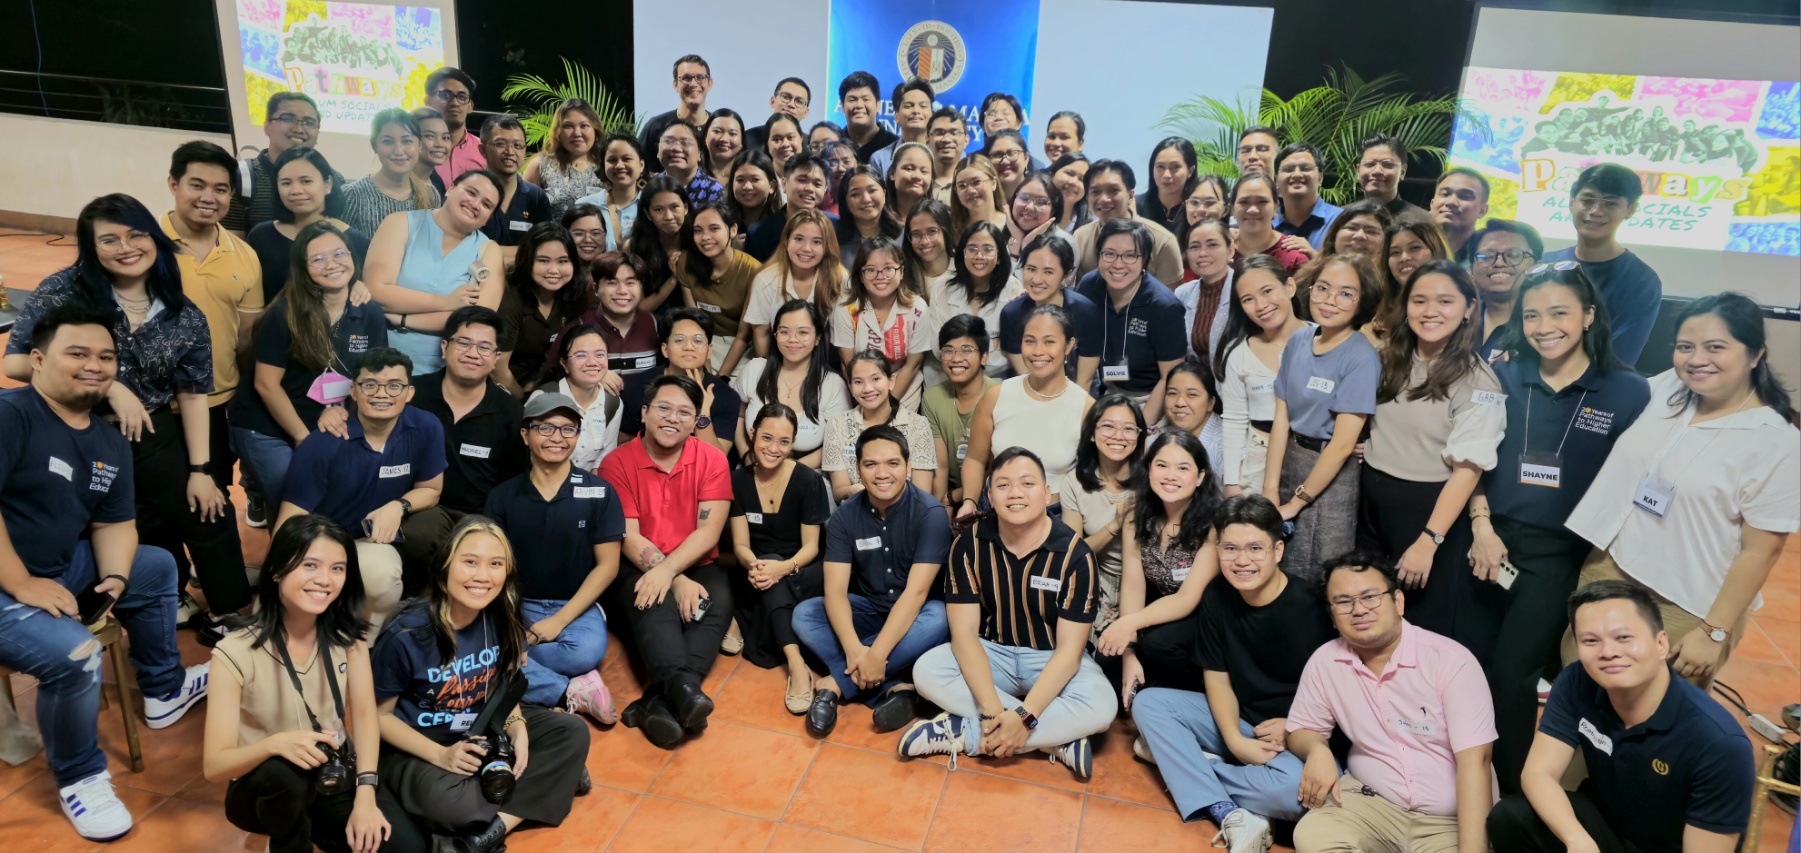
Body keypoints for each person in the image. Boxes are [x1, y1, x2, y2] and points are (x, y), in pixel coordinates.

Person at [0, 304, 208, 841]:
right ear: (39, 359)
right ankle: (81, 776)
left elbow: (116, 522)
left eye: (106, 356)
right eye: (78, 353)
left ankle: (162, 690)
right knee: (77, 655)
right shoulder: (11, 414)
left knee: (155, 565)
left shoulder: (107, 440)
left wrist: (113, 579)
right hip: (6, 587)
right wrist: (22, 583)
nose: (94, 365)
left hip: (58, 568)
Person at [5, 194, 250, 641]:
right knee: (125, 522)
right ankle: (160, 599)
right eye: (109, 239)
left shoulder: (180, 311)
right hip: (73, 428)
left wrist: (200, 470)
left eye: (136, 234)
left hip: (153, 428)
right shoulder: (63, 290)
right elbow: (17, 362)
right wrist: (108, 384)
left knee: (205, 508)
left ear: (154, 238)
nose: (126, 247)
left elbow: (193, 393)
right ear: (90, 245)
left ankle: (229, 610)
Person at [1465, 264, 1650, 794]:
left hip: (1559, 553)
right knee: (1468, 661)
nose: (1544, 326)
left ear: (1589, 316)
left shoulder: (1627, 391)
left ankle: (1514, 789)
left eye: (1560, 313)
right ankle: (1461, 772)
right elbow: (1470, 460)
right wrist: (1480, 522)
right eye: (1531, 315)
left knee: (1513, 673)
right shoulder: (1500, 374)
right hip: (1485, 538)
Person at [1564, 292, 1799, 689]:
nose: (1696, 358)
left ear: (1756, 354)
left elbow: (1762, 551)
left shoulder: (1777, 442)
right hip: (1610, 566)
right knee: (1580, 689)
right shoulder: (1670, 388)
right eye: (1685, 346)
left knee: (1649, 715)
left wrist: (1713, 632)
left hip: (1686, 601)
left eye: (1716, 347)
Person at [1486, 580, 1755, 853]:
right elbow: (1538, 773)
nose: (1608, 652)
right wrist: (1575, 839)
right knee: (1510, 817)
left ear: (1661, 643)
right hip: (1608, 827)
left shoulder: (1720, 744)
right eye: (1591, 640)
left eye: (1624, 638)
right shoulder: (1578, 680)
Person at [371, 517, 591, 851]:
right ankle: (555, 778)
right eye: (470, 562)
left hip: (483, 727)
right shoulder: (406, 633)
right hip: (419, 745)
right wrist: (441, 756)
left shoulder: (502, 617)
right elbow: (377, 718)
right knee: (454, 805)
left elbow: (503, 690)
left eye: (495, 564)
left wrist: (516, 726)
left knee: (572, 732)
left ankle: (486, 836)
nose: (482, 576)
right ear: (445, 567)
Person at [204, 515, 417, 853]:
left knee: (405, 847)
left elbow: (364, 717)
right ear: (276, 571)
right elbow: (215, 766)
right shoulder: (234, 652)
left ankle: (311, 824)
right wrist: (275, 744)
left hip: (330, 773)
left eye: (337, 568)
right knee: (285, 776)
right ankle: (287, 842)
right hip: (261, 785)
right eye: (310, 565)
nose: (325, 580)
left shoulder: (349, 638)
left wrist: (365, 795)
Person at [900, 447, 1113, 781]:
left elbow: (1070, 653)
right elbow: (965, 635)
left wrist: (1025, 718)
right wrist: (994, 710)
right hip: (992, 652)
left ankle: (967, 735)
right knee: (927, 670)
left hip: (1050, 656)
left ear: (1046, 493)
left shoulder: (1075, 555)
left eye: (1027, 484)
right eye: (1003, 485)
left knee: (1102, 705)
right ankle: (1054, 740)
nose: (1015, 493)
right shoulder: (968, 544)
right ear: (989, 496)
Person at [1131, 494, 1330, 851]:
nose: (1242, 561)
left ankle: (1180, 762)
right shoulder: (1218, 595)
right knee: (1149, 704)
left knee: (1294, 794)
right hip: (1238, 721)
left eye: (1255, 548)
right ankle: (1228, 807)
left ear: (1278, 551)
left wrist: (1294, 725)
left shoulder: (1310, 608)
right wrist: (1235, 741)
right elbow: (1217, 677)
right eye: (1230, 548)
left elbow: (1339, 691)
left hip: (1291, 734)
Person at [1286, 552, 1497, 853]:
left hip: (1449, 821)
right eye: (1344, 602)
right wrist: (1316, 749)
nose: (1358, 610)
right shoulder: (1326, 661)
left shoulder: (1450, 662)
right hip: (1372, 804)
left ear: (1398, 602)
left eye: (1370, 597)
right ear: (1332, 616)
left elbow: (1477, 763)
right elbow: (1302, 728)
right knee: (1313, 835)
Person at [1359, 260, 1506, 659]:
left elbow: (1468, 469)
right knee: (1373, 617)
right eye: (1419, 300)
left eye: (1445, 301)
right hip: (1370, 500)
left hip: (1427, 512)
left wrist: (1429, 540)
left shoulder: (1478, 380)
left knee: (1419, 630)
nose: (1430, 311)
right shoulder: (1389, 356)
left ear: (1469, 309)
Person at [599, 375, 735, 749]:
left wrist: (671, 572)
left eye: (684, 412)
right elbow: (628, 535)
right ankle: (684, 689)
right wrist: (670, 578)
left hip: (695, 562)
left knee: (715, 606)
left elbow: (708, 534)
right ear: (643, 413)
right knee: (653, 603)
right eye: (663, 407)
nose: (672, 418)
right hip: (636, 565)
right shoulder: (616, 463)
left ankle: (662, 700)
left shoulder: (711, 459)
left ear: (695, 422)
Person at [795, 424, 954, 736]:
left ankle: (836, 686)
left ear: (908, 468)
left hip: (917, 616)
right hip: (871, 610)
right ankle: (896, 688)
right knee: (805, 614)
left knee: (940, 618)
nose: (883, 473)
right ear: (858, 470)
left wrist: (877, 654)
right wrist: (856, 649)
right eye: (871, 464)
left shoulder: (930, 514)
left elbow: (917, 594)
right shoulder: (845, 516)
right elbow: (836, 591)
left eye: (893, 463)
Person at [277, 347, 444, 632]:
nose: (382, 394)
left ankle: (366, 648)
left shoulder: (425, 427)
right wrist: (280, 577)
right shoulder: (324, 443)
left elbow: (431, 489)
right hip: (321, 544)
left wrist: (398, 506)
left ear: (409, 392)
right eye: (370, 385)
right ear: (353, 391)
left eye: (394, 386)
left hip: (369, 543)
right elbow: (289, 521)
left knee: (382, 575)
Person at [484, 393, 625, 723]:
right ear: (525, 434)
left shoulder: (598, 492)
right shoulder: (503, 496)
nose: (557, 438)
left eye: (568, 429)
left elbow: (608, 566)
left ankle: (517, 673)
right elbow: (494, 564)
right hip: (517, 603)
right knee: (485, 653)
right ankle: (571, 690)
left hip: (575, 605)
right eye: (545, 428)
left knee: (584, 653)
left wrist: (557, 622)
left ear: (578, 435)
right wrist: (514, 623)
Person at [232, 221, 388, 513]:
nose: (331, 264)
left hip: (327, 417)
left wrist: (345, 413)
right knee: (291, 490)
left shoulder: (369, 312)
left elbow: (372, 375)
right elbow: (266, 385)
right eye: (317, 259)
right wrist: (304, 440)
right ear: (302, 269)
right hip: (268, 424)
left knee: (335, 491)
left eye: (339, 254)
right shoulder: (283, 316)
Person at [161, 140, 265, 546]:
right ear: (173, 184)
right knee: (158, 502)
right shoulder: (142, 246)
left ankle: (212, 574)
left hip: (217, 400)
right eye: (197, 185)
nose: (209, 198)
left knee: (214, 493)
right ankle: (172, 586)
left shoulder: (244, 255)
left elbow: (246, 337)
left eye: (221, 189)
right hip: (153, 405)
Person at [1264, 254, 1383, 582]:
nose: (1330, 300)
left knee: (1321, 572)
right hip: (1290, 459)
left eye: (1346, 293)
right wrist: (1271, 489)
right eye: (1323, 288)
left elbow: (1343, 445)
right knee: (1281, 566)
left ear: (1363, 302)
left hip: (1330, 473)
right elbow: (1281, 418)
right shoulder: (1300, 339)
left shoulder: (1361, 357)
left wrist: (1296, 502)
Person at [402, 307, 530, 577]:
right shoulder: (412, 394)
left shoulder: (509, 411)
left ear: (496, 358)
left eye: (485, 347)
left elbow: (514, 478)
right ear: (445, 347)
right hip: (423, 508)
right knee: (420, 533)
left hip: (479, 515)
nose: (473, 353)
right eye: (464, 342)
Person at [1095, 430, 1223, 697]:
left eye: (1183, 468)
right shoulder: (1136, 515)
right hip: (1156, 612)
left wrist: (1130, 624)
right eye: (1161, 465)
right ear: (1149, 470)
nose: (1170, 475)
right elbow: (1132, 587)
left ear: (1200, 476)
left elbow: (1188, 598)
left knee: (1158, 644)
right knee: (1109, 656)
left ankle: (1187, 702)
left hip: (1204, 616)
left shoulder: (1214, 524)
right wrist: (1129, 650)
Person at [727, 404, 831, 710]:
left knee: (772, 581)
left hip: (802, 567)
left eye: (784, 442)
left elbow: (812, 547)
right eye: (767, 438)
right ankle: (795, 662)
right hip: (757, 568)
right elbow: (740, 544)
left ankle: (795, 664)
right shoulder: (739, 480)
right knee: (751, 577)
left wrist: (780, 569)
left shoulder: (806, 480)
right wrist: (756, 565)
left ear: (793, 443)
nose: (774, 448)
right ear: (752, 434)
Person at [364, 170, 504, 375]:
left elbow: (477, 323)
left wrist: (403, 319)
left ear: (488, 218)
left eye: (486, 205)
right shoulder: (401, 223)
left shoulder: (488, 250)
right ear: (450, 189)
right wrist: (446, 303)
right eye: (471, 193)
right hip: (380, 359)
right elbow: (376, 291)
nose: (475, 204)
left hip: (446, 371)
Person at [960, 305, 1095, 518]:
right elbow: (976, 459)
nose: (1038, 351)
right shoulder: (996, 396)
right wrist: (968, 501)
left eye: (1049, 341)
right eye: (1030, 341)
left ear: (1069, 346)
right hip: (995, 509)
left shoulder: (1086, 407)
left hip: (1055, 514)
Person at [1539, 163, 1664, 365]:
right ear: (1571, 202)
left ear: (1630, 210)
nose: (1596, 211)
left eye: (1610, 204)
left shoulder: (1641, 281)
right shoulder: (1544, 264)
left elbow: (1619, 361)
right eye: (1587, 200)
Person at [1213, 255, 1310, 497]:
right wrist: (1232, 483)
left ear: (1289, 287)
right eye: (1248, 299)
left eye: (1267, 291)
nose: (1260, 305)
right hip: (1258, 459)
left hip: (1313, 456)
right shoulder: (1237, 352)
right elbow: (1234, 420)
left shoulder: (1324, 340)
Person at [1074, 218, 1186, 419]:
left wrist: (1141, 428)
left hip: (1152, 399)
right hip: (1107, 391)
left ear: (1145, 260)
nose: (1118, 264)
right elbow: (1085, 356)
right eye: (1109, 254)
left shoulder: (1163, 306)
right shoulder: (1089, 287)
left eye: (1130, 256)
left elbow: (1170, 377)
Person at [1058, 394, 1146, 643]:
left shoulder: (1152, 480)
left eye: (1129, 429)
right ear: (1092, 434)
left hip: (1145, 580)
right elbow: (1073, 552)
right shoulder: (1075, 483)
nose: (1118, 436)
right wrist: (1115, 524)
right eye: (1108, 426)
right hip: (1099, 577)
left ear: (1139, 436)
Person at [245, 146, 369, 303]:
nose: (296, 190)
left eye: (306, 181)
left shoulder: (355, 241)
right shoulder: (261, 237)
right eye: (286, 183)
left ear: (328, 184)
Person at [735, 300, 851, 467]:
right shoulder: (755, 369)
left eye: (803, 332)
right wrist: (745, 454)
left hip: (807, 472)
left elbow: (837, 442)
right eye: (784, 332)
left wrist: (790, 471)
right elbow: (737, 415)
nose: (793, 339)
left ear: (818, 337)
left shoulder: (832, 384)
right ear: (775, 335)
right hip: (753, 467)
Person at [619, 307, 740, 456]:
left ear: (709, 350)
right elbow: (622, 444)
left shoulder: (726, 396)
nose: (689, 347)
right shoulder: (637, 386)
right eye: (679, 340)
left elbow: (717, 459)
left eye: (697, 340)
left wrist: (703, 413)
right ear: (665, 349)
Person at [223, 92, 346, 234]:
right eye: (288, 118)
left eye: (309, 122)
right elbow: (232, 248)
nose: (299, 129)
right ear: (267, 126)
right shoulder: (242, 178)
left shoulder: (334, 179)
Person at [833, 237, 932, 410]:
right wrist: (867, 399)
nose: (880, 277)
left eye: (888, 268)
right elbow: (848, 363)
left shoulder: (918, 309)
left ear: (901, 272)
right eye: (871, 270)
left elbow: (913, 364)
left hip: (903, 384)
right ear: (861, 276)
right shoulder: (845, 309)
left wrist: (887, 405)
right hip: (860, 387)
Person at [823, 352, 938, 500]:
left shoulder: (918, 425)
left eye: (876, 379)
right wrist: (855, 491)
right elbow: (839, 491)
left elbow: (923, 493)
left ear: (891, 381)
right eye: (858, 382)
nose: (868, 388)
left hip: (907, 511)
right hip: (856, 509)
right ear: (850, 388)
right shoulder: (837, 425)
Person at [496, 223, 588, 395]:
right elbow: (498, 368)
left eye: (563, 261)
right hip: (507, 388)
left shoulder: (576, 292)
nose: (553, 270)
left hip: (551, 383)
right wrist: (527, 404)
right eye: (543, 260)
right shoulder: (510, 297)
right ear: (527, 260)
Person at [741, 208, 846, 360]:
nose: (806, 248)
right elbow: (761, 334)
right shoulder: (765, 279)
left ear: (827, 247)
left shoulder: (840, 278)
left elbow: (844, 340)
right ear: (786, 242)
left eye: (816, 242)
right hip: (776, 359)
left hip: (826, 360)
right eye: (798, 239)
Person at [1000, 231, 1100, 387]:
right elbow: (1026, 376)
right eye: (1031, 269)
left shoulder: (1086, 312)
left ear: (1066, 275)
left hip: (1076, 392)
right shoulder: (1012, 314)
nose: (1037, 279)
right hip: (1030, 391)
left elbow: (1084, 381)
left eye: (1048, 272)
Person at [923, 315, 1002, 509]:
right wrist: (939, 510)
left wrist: (955, 497)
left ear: (984, 356)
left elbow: (996, 467)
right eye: (948, 351)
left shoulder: (1000, 395)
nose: (956, 358)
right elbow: (940, 467)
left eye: (967, 350)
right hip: (952, 494)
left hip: (992, 495)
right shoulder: (932, 398)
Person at [930, 222, 1023, 379]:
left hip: (999, 378)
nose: (979, 256)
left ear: (999, 256)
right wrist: (993, 342)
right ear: (963, 253)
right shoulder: (942, 288)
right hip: (952, 376)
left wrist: (962, 348)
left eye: (987, 249)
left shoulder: (1013, 288)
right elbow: (939, 348)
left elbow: (1014, 350)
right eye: (972, 249)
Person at [673, 203, 756, 375]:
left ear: (733, 230)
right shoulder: (686, 262)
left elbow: (744, 334)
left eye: (714, 229)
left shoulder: (752, 270)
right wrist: (705, 364)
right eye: (698, 231)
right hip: (701, 342)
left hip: (740, 347)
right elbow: (695, 321)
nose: (705, 237)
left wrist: (720, 378)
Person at [1070, 160, 1183, 284]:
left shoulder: (1162, 241)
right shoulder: (1080, 237)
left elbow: (1169, 298)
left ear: (1130, 195)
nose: (1104, 199)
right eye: (1095, 192)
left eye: (1113, 190)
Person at [532, 326, 625, 471]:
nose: (592, 362)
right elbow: (531, 458)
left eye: (600, 354)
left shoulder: (612, 403)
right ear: (565, 364)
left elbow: (602, 463)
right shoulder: (543, 397)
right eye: (581, 355)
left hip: (587, 487)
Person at [339, 109, 440, 237]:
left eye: (407, 141)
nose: (398, 150)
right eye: (388, 141)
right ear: (374, 145)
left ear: (420, 145)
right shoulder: (353, 195)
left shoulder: (431, 194)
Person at [1462, 219, 1543, 363]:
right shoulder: (1456, 320)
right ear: (1471, 271)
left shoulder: (1547, 328)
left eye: (1514, 255)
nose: (1499, 263)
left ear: (1537, 266)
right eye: (1486, 256)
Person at [477, 116, 554, 263]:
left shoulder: (536, 197)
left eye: (518, 146)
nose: (510, 152)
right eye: (500, 144)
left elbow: (543, 249)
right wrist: (525, 253)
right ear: (483, 150)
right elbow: (464, 248)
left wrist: (486, 252)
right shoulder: (469, 193)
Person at [580, 251, 661, 378]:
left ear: (641, 288)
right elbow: (551, 377)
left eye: (630, 283)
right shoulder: (579, 327)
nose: (622, 291)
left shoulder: (655, 325)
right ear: (596, 289)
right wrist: (590, 377)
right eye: (612, 283)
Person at [522, 98, 606, 218]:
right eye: (568, 126)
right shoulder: (540, 165)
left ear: (595, 130)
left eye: (584, 126)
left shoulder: (607, 166)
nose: (577, 133)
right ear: (558, 131)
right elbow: (523, 211)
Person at [744, 151, 832, 263]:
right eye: (802, 180)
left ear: (825, 190)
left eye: (817, 184)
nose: (809, 188)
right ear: (784, 184)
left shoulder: (835, 227)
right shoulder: (759, 233)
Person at [638, 54, 713, 174]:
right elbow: (637, 167)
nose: (693, 84)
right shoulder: (655, 127)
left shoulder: (719, 129)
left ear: (709, 83)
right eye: (686, 78)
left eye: (700, 77)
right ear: (675, 85)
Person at [1378, 217, 1451, 340]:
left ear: (1436, 250)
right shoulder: (1379, 311)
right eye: (1395, 252)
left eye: (1415, 248)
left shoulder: (1457, 304)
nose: (1404, 258)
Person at [625, 175, 689, 312]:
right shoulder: (634, 247)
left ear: (685, 208)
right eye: (658, 209)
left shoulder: (699, 241)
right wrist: (674, 279)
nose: (668, 217)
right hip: (651, 321)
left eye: (674, 207)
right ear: (647, 214)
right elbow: (640, 309)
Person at [571, 134, 647, 250]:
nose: (619, 165)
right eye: (612, 160)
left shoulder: (652, 205)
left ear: (641, 165)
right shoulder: (585, 206)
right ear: (603, 165)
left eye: (627, 159)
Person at [1174, 218, 1235, 361]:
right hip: (1195, 379)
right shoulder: (1182, 293)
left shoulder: (1245, 289)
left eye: (1212, 245)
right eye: (1195, 247)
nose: (1202, 253)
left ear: (1230, 251)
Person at [1230, 172, 1311, 277]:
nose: (1253, 210)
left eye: (1262, 201)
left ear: (1276, 206)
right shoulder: (1218, 252)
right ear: (1232, 208)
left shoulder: (1294, 259)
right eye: (1244, 202)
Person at [1272, 142, 1343, 251]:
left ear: (1320, 178)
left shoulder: (1341, 220)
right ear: (1276, 180)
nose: (1297, 174)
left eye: (1305, 168)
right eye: (1288, 169)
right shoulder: (1266, 222)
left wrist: (1314, 258)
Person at [1159, 358, 1226, 469]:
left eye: (1192, 395)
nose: (1180, 402)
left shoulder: (1225, 444)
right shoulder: (1158, 436)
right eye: (1172, 393)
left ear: (1210, 403)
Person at [834, 165, 902, 271]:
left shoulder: (903, 235)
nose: (866, 199)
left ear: (884, 194)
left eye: (872, 190)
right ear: (845, 201)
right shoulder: (835, 241)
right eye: (855, 194)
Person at [424, 68, 484, 185]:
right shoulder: (415, 149)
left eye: (462, 97)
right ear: (428, 101)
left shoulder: (483, 151)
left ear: (470, 106)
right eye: (446, 95)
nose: (455, 103)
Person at [868, 78, 934, 178]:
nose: (916, 110)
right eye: (908, 106)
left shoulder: (948, 154)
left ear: (932, 115)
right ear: (896, 116)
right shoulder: (880, 159)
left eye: (923, 106)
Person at [655, 121, 726, 208]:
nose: (676, 148)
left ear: (699, 154)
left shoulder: (713, 191)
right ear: (658, 151)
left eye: (685, 143)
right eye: (668, 141)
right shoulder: (652, 186)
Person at [1003, 170, 1067, 264]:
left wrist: (1026, 247)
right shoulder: (997, 234)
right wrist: (1016, 242)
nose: (1029, 207)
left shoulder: (1064, 243)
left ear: (1053, 209)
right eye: (1024, 198)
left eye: (1041, 202)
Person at [1357, 134, 1426, 219]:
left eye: (1388, 164)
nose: (1377, 171)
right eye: (1370, 164)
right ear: (1358, 171)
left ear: (1402, 172)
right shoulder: (1342, 217)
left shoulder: (1421, 220)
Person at [1139, 137, 1200, 232]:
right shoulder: (1135, 206)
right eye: (1160, 167)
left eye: (1175, 167)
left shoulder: (1198, 210)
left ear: (1190, 171)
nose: (1166, 175)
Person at [1429, 167, 1490, 258]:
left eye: (1464, 196)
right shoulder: (1409, 249)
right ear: (1432, 204)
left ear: (1482, 211)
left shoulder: (1487, 258)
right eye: (1445, 194)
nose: (1451, 202)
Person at [725, 149, 783, 243]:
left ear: (772, 186)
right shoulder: (721, 222)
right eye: (740, 180)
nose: (747, 187)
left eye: (755, 180)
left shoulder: (783, 225)